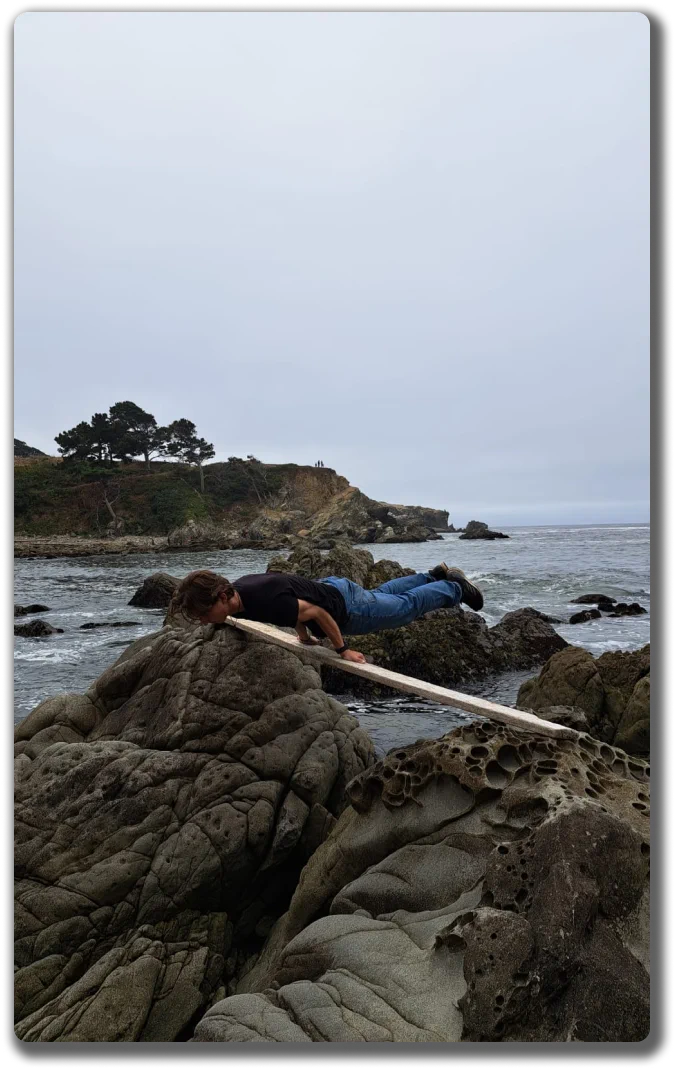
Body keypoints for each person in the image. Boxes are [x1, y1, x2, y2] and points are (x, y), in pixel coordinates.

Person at [170, 563, 484, 665]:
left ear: (222, 596)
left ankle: (454, 588)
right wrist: (303, 635)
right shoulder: (243, 588)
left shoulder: (260, 602)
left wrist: (342, 649)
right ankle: (432, 576)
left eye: (203, 612)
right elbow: (293, 604)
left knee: (403, 609)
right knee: (384, 595)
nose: (202, 619)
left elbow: (316, 612)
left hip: (344, 608)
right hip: (333, 587)